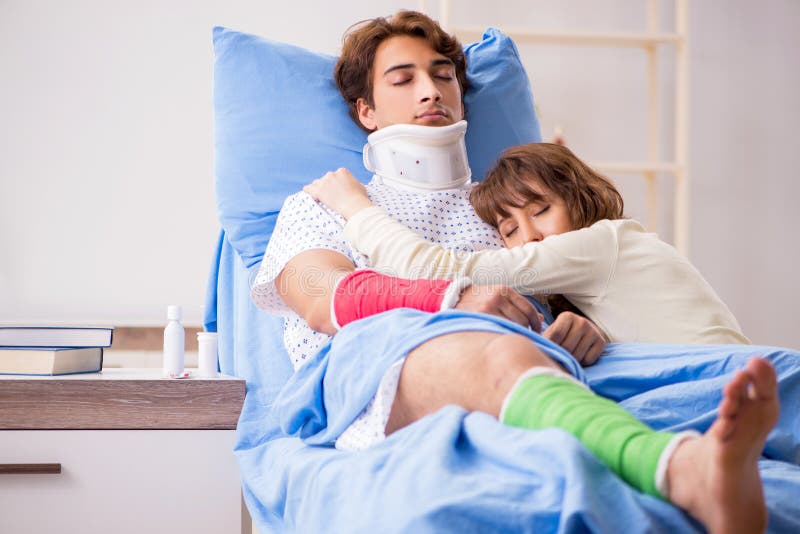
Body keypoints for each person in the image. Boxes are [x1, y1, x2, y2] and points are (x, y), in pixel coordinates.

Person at [251, 10, 778, 533]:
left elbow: (566, 293)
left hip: (541, 367)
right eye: (404, 78)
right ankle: (681, 471)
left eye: (442, 74)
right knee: (496, 348)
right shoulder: (329, 200)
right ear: (367, 111)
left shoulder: (506, 211)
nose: (431, 90)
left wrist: (582, 325)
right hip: (371, 366)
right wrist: (452, 301)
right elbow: (319, 296)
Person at [303, 142, 749, 345]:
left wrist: (355, 207)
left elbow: (437, 268)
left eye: (539, 211)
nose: (530, 235)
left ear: (579, 197)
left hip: (722, 377)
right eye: (510, 230)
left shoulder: (601, 242)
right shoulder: (595, 275)